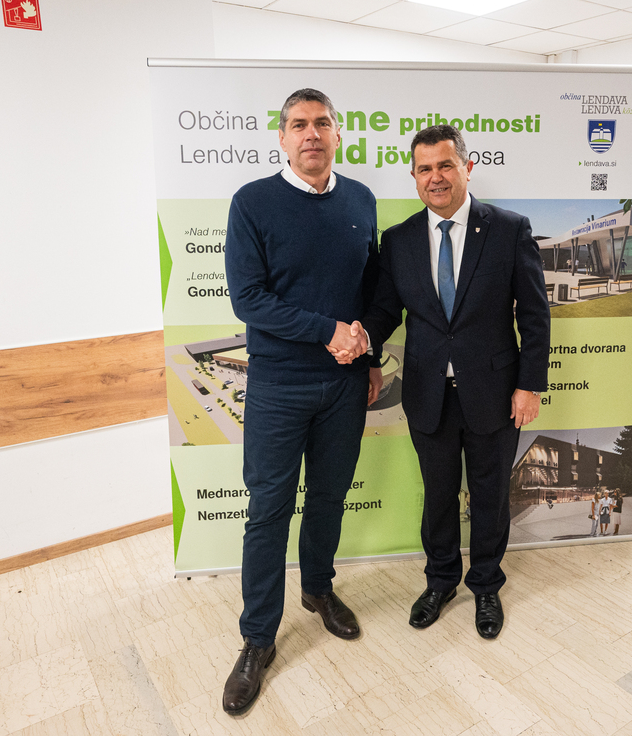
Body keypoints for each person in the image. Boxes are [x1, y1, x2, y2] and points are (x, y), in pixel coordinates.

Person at [346, 125, 550, 638]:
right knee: (437, 495)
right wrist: (362, 339)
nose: (435, 177)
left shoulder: (508, 229)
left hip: (495, 394)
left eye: (444, 165)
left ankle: (486, 585)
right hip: (428, 394)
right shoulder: (398, 241)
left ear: (467, 167)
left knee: (489, 496)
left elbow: (535, 315)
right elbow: (385, 310)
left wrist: (530, 385)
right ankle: (440, 582)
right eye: (424, 169)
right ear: (414, 176)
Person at [221, 88, 384, 715]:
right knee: (268, 510)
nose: (310, 134)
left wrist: (368, 353)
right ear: (282, 138)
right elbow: (248, 299)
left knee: (328, 496)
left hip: (345, 384)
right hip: (280, 384)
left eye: (321, 123)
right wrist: (328, 332)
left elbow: (370, 288)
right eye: (298, 124)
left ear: (338, 133)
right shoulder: (252, 201)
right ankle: (258, 638)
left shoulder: (360, 199)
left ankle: (317, 588)